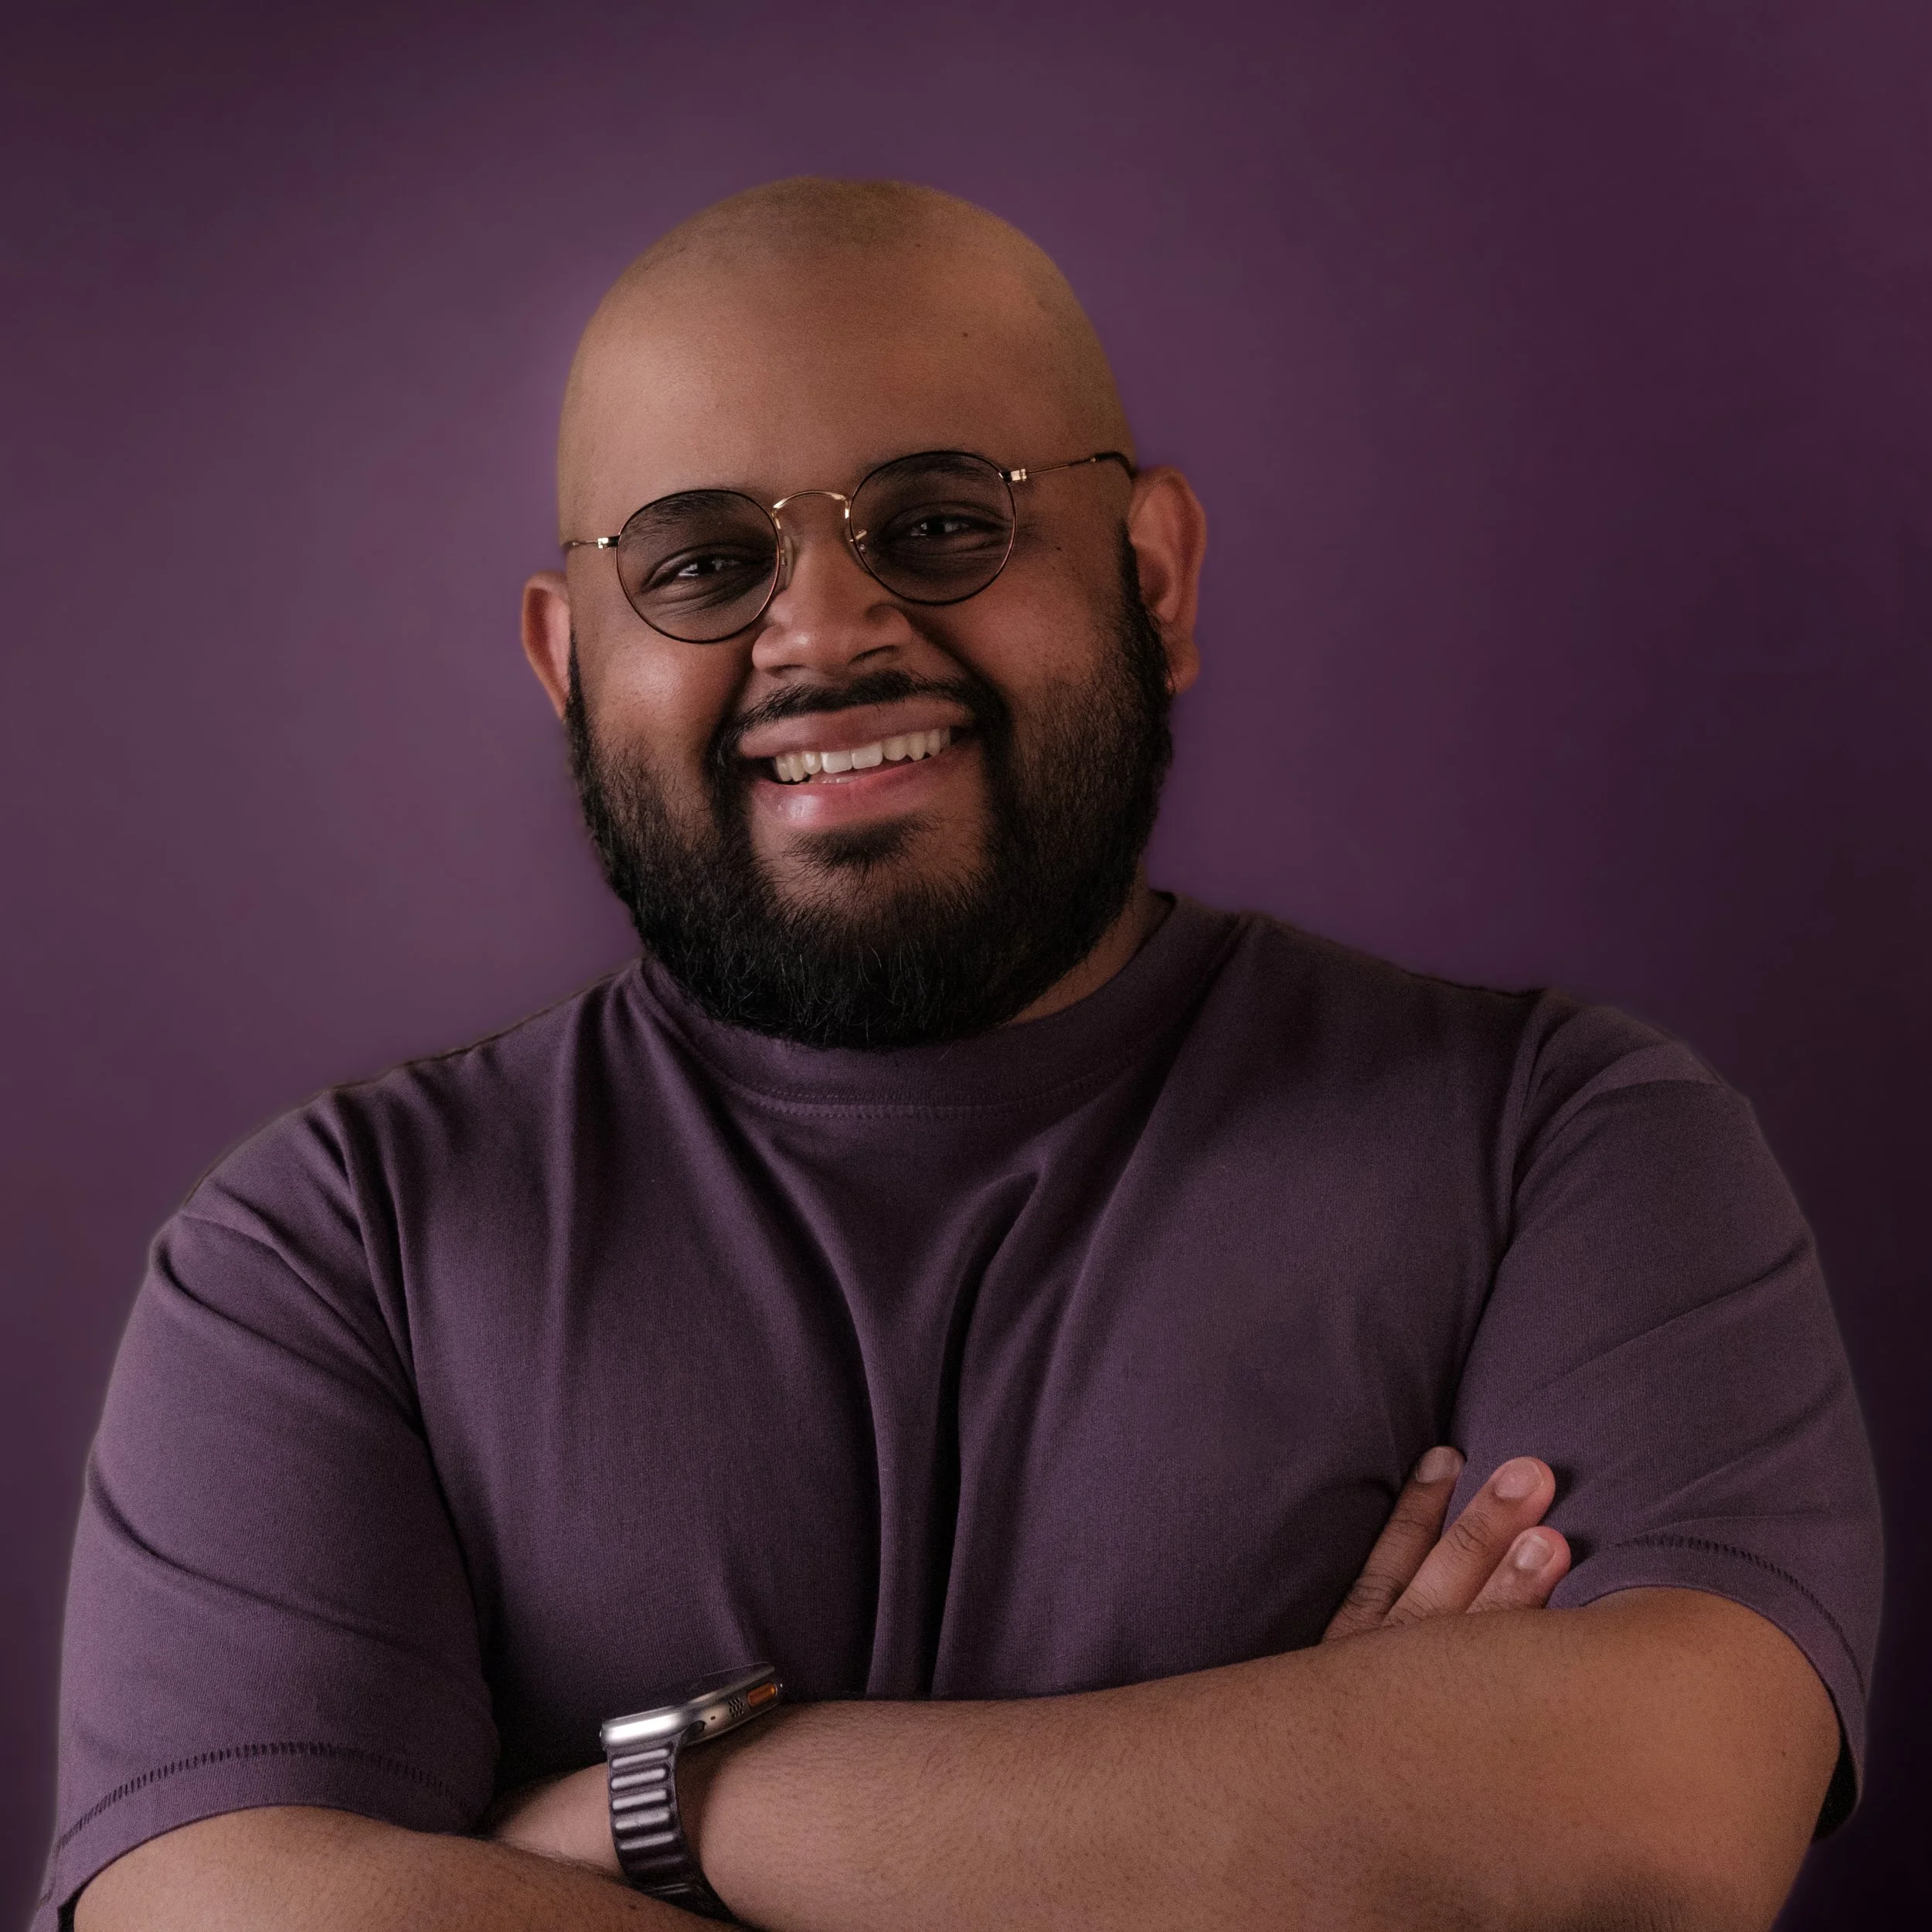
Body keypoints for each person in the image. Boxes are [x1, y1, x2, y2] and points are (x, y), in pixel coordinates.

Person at [45, 179, 1879, 1932]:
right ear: (567, 663)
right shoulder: (326, 1246)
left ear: (1150, 572)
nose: (827, 629)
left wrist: (671, 1808)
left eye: (941, 522)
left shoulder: (1560, 1142)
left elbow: (1648, 1831)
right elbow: (210, 1897)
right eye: (698, 561)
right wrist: (1315, 1847)